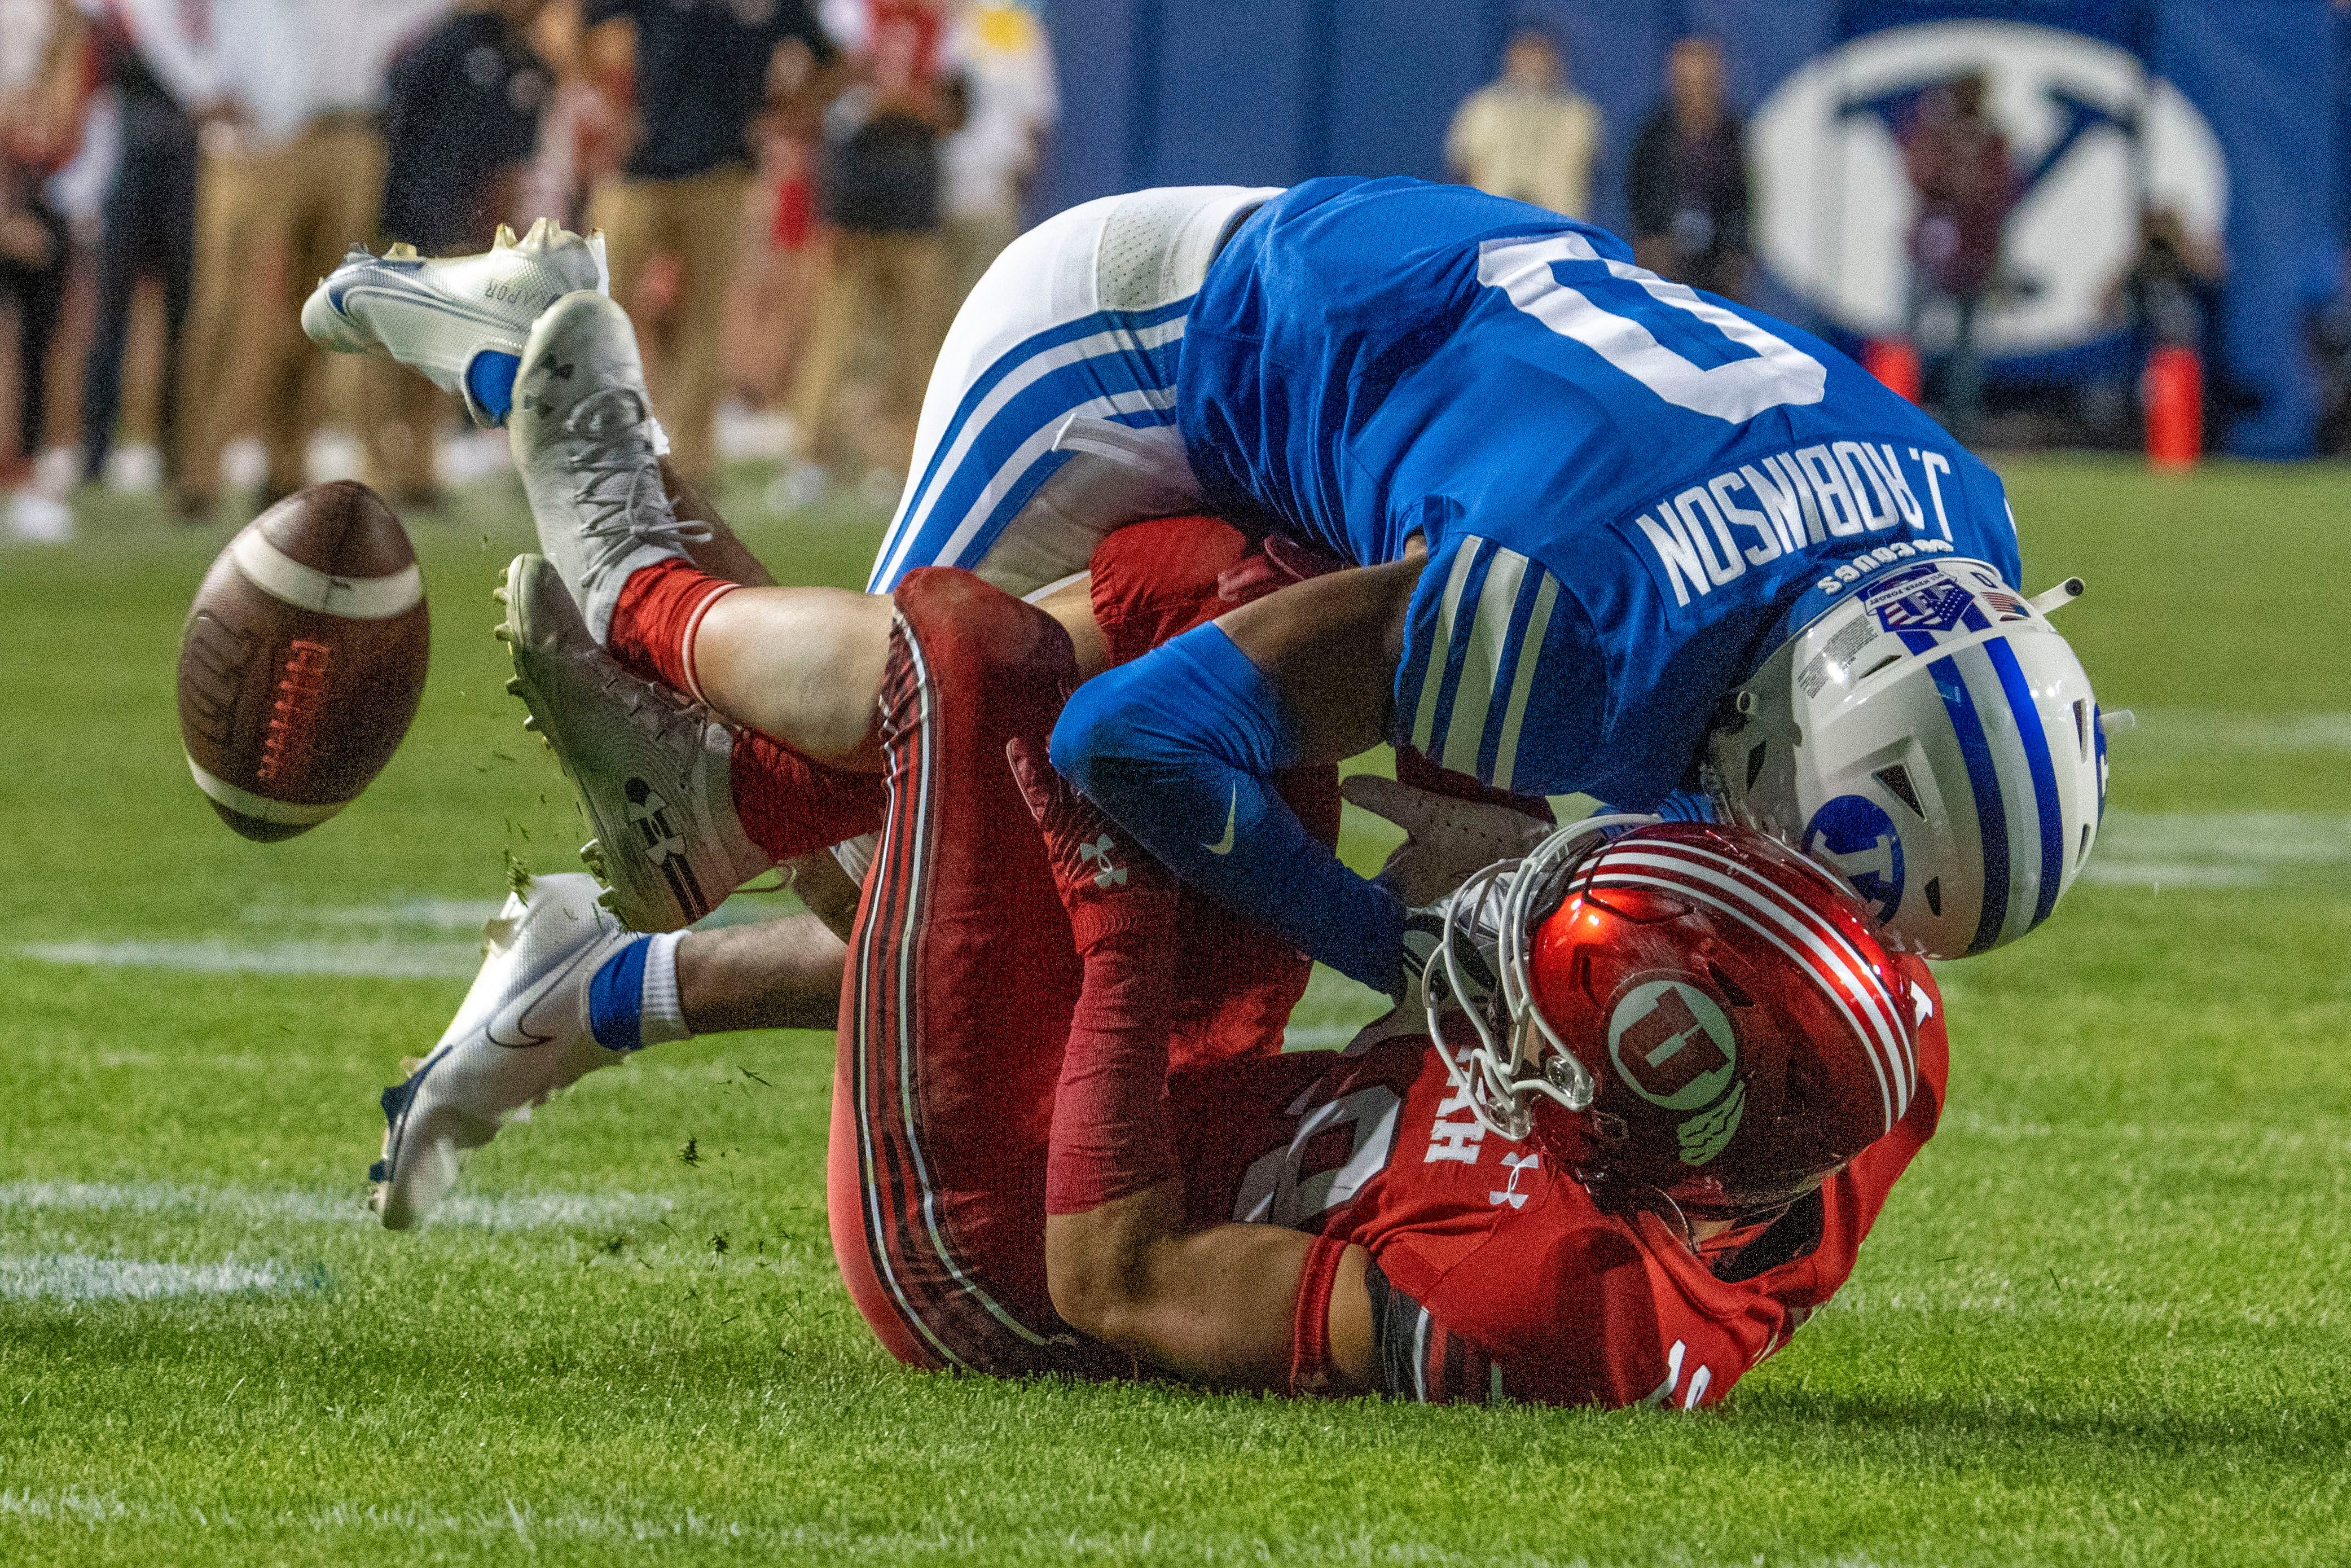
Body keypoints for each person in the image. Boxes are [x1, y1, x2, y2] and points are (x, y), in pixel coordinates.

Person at [306, 174, 2107, 1038]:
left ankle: (608, 970)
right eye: (1802, 835)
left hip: (1410, 354)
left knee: (1002, 916)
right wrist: (1391, 949)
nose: (1774, 864)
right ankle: (569, 417)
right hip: (1147, 344)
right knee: (879, 799)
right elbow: (1131, 743)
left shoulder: (1957, 513)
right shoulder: (1579, 620)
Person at [364, 481, 1948, 1407]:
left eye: (1530, 1013)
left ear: (1619, 1138)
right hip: (1201, 1081)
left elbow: (1115, 1276)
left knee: (969, 668)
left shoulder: (1548, 1304)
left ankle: (633, 576)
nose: (1492, 960)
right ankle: (616, 972)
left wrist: (1116, 920)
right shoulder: (1857, 1050)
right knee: (1237, 580)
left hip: (1010, 1233)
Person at [173, 0, 451, 523]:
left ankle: (286, 463)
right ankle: (198, 472)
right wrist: (202, 82)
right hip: (260, 131)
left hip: (352, 128)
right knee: (232, 309)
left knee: (330, 309)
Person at [579, 0, 836, 486]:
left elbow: (827, 58)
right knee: (598, 308)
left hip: (722, 170)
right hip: (636, 170)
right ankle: (597, 448)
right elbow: (585, 28)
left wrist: (786, 110)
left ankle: (692, 462)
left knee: (705, 319)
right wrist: (609, 104)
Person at [368, 0, 556, 507]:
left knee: (441, 349)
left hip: (468, 221)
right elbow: (395, 115)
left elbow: (516, 162)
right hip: (417, 212)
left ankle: (420, 468)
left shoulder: (530, 64)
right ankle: (381, 465)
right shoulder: (451, 41)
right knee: (396, 349)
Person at [786, 0, 959, 487]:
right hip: (855, 200)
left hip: (915, 200)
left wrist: (904, 103)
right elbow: (823, 98)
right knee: (835, 342)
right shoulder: (847, 15)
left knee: (915, 349)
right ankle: (813, 457)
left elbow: (953, 110)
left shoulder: (942, 23)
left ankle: (900, 461)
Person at [78, 0, 206, 495]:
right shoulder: (127, 17)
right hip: (126, 163)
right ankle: (95, 450)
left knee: (183, 314)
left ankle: (175, 447)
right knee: (111, 316)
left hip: (184, 162)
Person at [1899, 72, 2014, 442]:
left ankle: (1961, 427)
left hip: (1972, 250)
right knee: (1910, 336)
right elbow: (1921, 177)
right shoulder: (1936, 133)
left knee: (1965, 350)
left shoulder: (1991, 140)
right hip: (1931, 249)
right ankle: (1899, 416)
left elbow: (1995, 194)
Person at [938, 0, 1056, 306]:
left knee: (984, 306)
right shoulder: (923, 24)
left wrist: (1021, 186)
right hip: (923, 199)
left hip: (991, 197)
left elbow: (1037, 120)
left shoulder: (1014, 28)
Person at [1626, 36, 1751, 301]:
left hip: (1720, 259)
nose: (1695, 90)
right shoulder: (1653, 135)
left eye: (1702, 81)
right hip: (1664, 257)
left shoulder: (1736, 136)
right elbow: (1641, 198)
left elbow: (1744, 206)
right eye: (1687, 81)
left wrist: (1734, 258)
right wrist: (1654, 246)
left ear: (1717, 79)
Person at [1444, 28, 1602, 222]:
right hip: (1492, 222)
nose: (1532, 65)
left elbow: (1589, 171)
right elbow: (1463, 167)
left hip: (1558, 226)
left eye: (1540, 57)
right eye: (1524, 56)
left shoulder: (1578, 113)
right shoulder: (1483, 107)